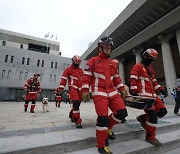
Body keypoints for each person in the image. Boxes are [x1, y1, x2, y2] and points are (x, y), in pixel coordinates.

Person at [82, 36, 128, 154]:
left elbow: (116, 79)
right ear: (100, 48)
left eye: (109, 48)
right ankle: (101, 145)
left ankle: (108, 128)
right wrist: (85, 90)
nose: (108, 50)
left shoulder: (113, 63)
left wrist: (122, 89)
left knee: (122, 113)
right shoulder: (92, 61)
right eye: (105, 48)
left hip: (112, 92)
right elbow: (86, 77)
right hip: (99, 92)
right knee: (102, 119)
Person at [130, 48, 168, 146]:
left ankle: (143, 119)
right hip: (144, 96)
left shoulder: (150, 69)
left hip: (153, 95)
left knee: (163, 111)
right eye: (150, 58)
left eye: (153, 59)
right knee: (153, 115)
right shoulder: (137, 67)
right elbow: (133, 78)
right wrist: (133, 90)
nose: (151, 60)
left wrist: (161, 89)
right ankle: (150, 137)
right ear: (145, 56)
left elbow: (154, 82)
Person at [58, 55, 83, 128]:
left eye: (78, 62)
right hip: (73, 88)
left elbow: (84, 80)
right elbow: (64, 78)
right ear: (73, 61)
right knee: (76, 103)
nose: (77, 64)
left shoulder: (81, 70)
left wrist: (86, 90)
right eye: (76, 62)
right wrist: (61, 88)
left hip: (80, 89)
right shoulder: (68, 69)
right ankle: (77, 120)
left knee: (77, 104)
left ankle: (71, 114)